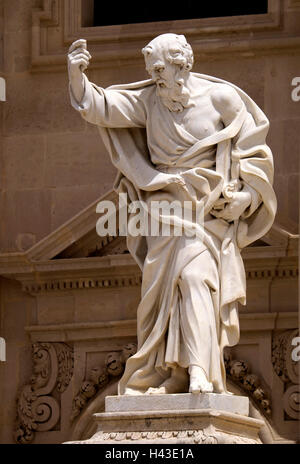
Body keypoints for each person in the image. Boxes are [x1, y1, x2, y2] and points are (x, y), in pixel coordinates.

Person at [68, 33, 276, 395]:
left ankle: (199, 371)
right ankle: (175, 375)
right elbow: (99, 106)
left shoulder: (220, 98)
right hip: (162, 210)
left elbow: (253, 148)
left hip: (207, 213)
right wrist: (77, 77)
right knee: (160, 301)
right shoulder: (149, 100)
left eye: (161, 69)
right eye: (151, 70)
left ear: (183, 64)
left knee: (195, 279)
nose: (155, 76)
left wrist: (245, 195)